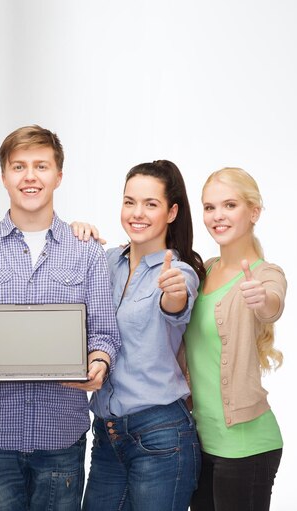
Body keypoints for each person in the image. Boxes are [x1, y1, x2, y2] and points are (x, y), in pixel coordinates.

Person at [0, 125, 121, 511]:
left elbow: (105, 334)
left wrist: (98, 361)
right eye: (19, 166)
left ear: (58, 175)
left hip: (62, 433)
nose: (30, 176)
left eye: (41, 166)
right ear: (4, 176)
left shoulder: (86, 251)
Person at [69, 160, 202, 510]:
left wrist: (174, 294)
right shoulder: (107, 261)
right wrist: (74, 234)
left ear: (172, 212)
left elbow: (176, 303)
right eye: (129, 202)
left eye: (150, 204)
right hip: (107, 435)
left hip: (160, 434)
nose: (137, 213)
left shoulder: (180, 273)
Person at [184, 167, 286, 511]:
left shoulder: (265, 274)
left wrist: (263, 300)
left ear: (253, 212)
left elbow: (272, 304)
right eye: (210, 207)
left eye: (229, 205)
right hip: (203, 441)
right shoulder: (205, 269)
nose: (217, 216)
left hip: (247, 446)